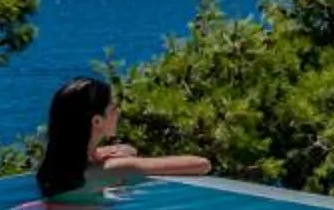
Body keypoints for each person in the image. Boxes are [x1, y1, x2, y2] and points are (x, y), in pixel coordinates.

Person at [33, 76, 212, 201]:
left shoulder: (57, 163)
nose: (118, 112)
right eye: (113, 109)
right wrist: (123, 161)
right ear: (97, 121)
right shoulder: (112, 169)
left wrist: (103, 153)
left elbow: (127, 149)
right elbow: (202, 164)